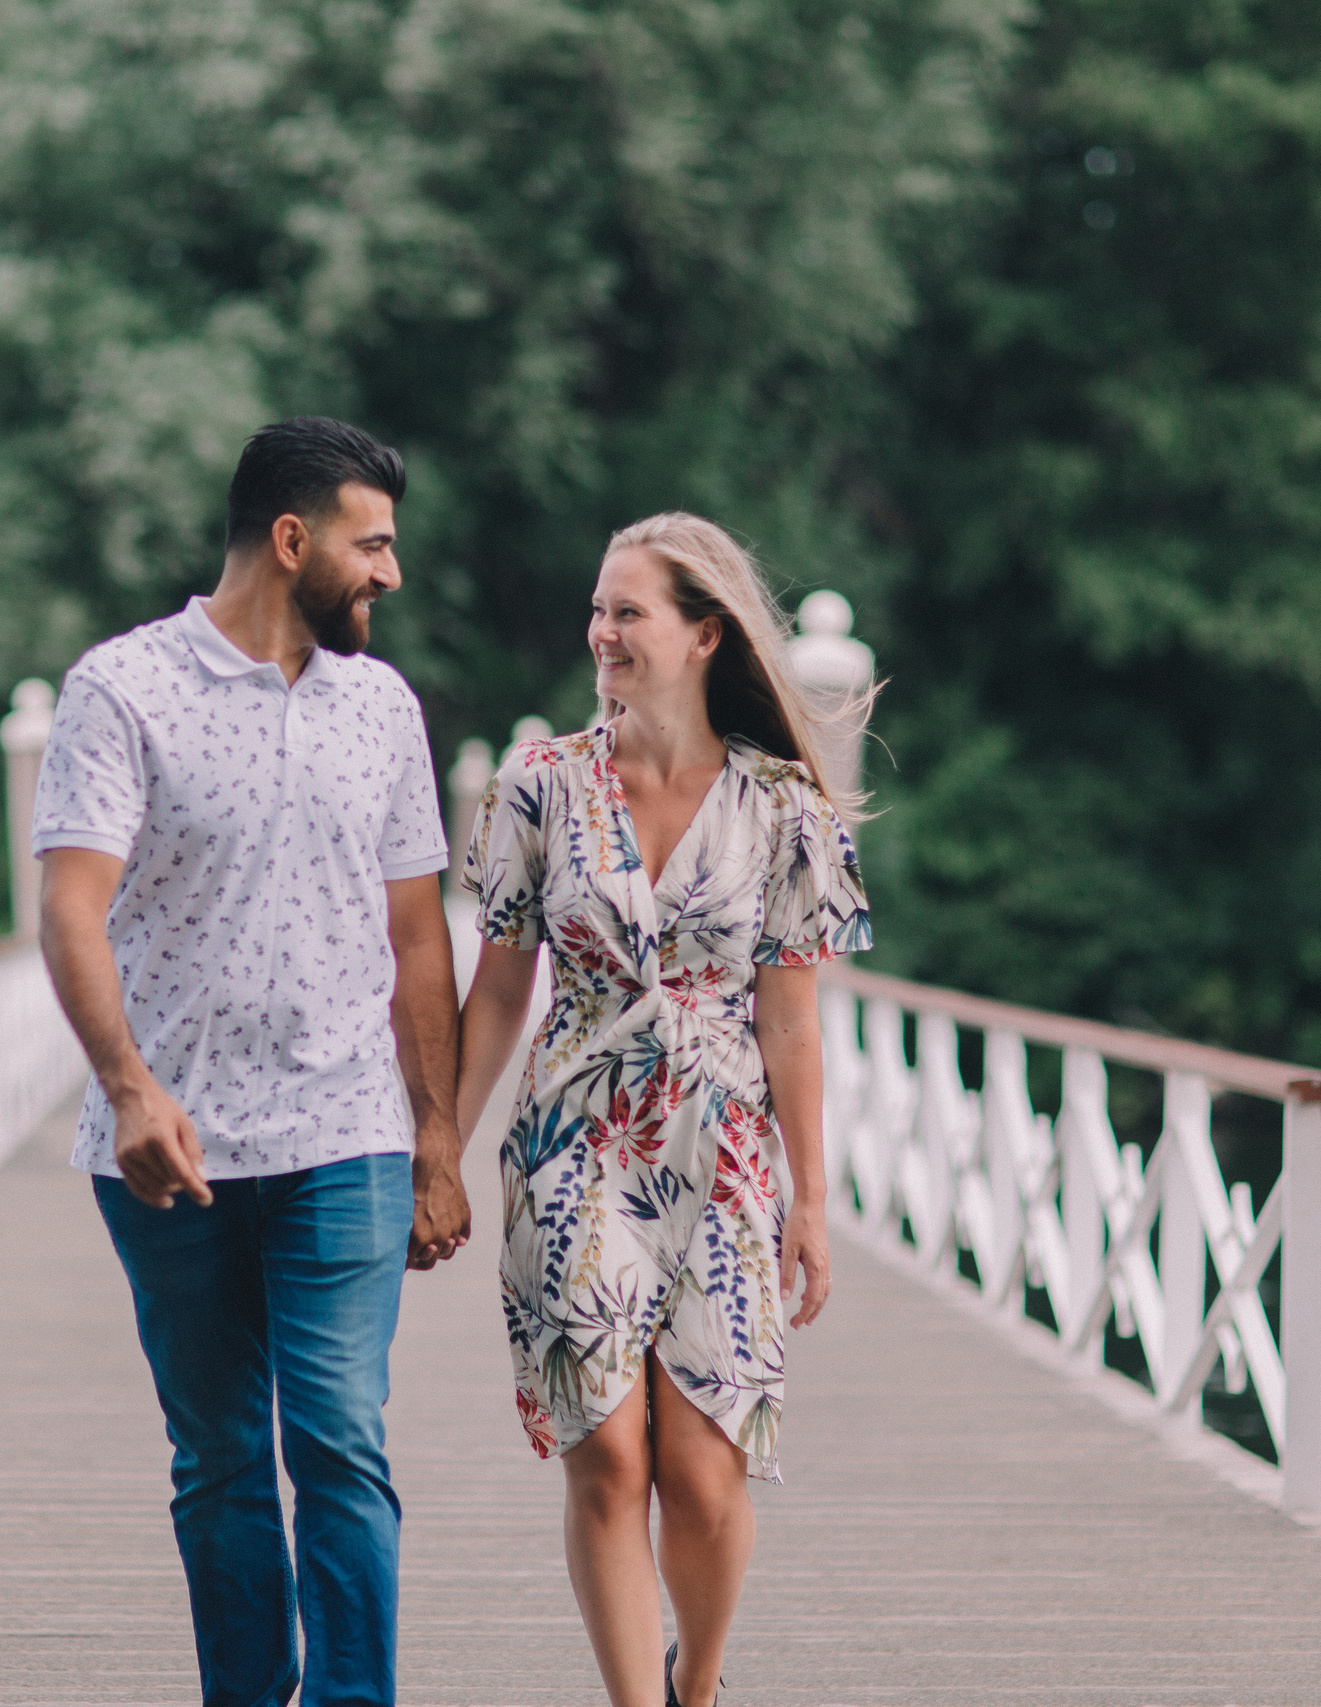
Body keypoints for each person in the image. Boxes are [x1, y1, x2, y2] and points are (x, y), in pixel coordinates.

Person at [30, 417, 472, 1707]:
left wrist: (435, 1137)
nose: (389, 571)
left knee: (338, 1444)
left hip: (347, 1136)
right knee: (219, 1458)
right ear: (293, 541)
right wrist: (126, 1090)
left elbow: (415, 933)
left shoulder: (381, 705)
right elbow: (70, 907)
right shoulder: (121, 689)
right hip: (175, 1150)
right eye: (371, 543)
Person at [452, 513, 871, 1707]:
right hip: (569, 1150)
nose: (601, 633)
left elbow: (791, 1019)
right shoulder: (538, 787)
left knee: (704, 1472)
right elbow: (494, 999)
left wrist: (811, 1197)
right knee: (609, 1454)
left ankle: (699, 1684)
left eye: (626, 612)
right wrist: (436, 1147)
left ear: (704, 634)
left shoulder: (784, 807)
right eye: (596, 610)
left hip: (726, 1157)